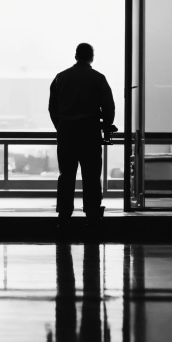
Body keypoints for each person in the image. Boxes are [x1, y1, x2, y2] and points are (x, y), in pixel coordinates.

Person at [48, 43, 115, 224]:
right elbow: (108, 107)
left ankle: (64, 213)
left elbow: (53, 108)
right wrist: (106, 125)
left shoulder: (60, 78)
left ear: (76, 55)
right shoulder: (98, 78)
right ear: (91, 57)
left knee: (66, 174)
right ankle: (92, 212)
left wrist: (61, 126)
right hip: (90, 132)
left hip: (67, 132)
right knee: (92, 174)